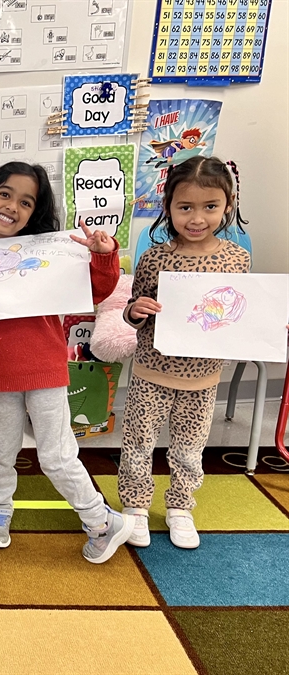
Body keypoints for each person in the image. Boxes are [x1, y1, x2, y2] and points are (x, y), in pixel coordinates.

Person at [0, 161, 135, 564]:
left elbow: (98, 291)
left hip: (46, 371)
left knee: (56, 454)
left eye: (26, 202)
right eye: (5, 194)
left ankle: (101, 521)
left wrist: (105, 256)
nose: (13, 206)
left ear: (35, 213)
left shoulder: (51, 252)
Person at [119, 156, 252, 550]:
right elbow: (132, 309)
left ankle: (180, 507)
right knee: (139, 442)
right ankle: (136, 506)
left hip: (204, 376)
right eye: (185, 207)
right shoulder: (155, 257)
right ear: (169, 208)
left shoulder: (237, 260)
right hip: (151, 372)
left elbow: (240, 312)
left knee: (190, 447)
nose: (197, 218)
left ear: (227, 205)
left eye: (210, 207)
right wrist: (135, 311)